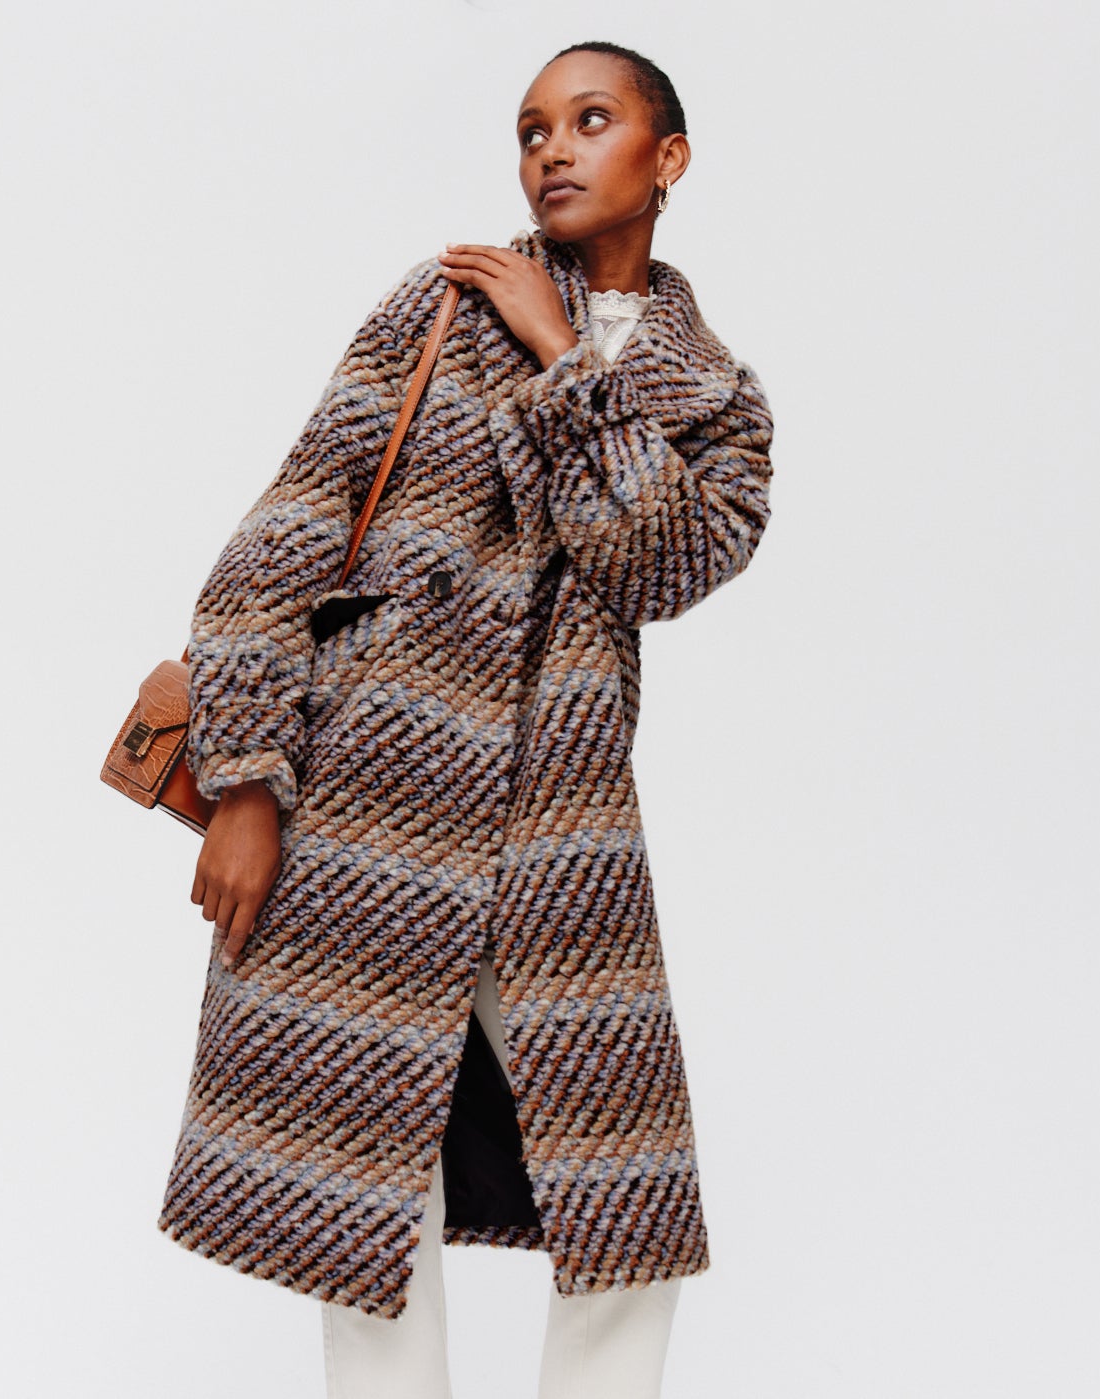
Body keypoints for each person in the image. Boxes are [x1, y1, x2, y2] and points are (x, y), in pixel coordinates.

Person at [158, 39, 774, 1399]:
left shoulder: (720, 406)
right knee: (359, 1193)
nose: (553, 151)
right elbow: (284, 535)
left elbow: (658, 568)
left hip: (562, 820)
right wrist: (248, 781)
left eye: (591, 121)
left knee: (628, 1194)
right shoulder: (438, 307)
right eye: (532, 129)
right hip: (362, 803)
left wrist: (564, 359)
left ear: (667, 158)